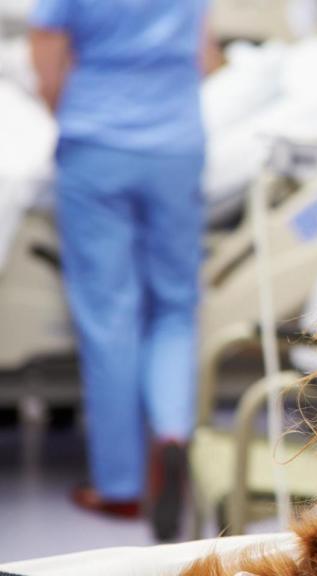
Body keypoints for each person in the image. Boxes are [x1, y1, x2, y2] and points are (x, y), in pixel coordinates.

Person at [29, 0, 215, 541]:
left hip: (96, 141)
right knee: (176, 306)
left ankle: (121, 487)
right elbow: (203, 56)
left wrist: (77, 111)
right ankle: (174, 436)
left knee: (110, 314)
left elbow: (45, 57)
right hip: (178, 144)